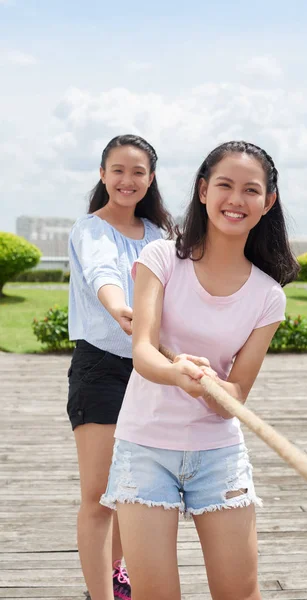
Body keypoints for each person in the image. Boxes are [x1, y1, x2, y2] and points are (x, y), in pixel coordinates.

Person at [101, 140, 299, 599]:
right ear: (203, 190)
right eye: (225, 185)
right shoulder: (161, 259)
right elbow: (144, 352)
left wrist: (212, 388)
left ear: (268, 202)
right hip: (145, 448)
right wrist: (177, 374)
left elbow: (237, 395)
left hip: (218, 454)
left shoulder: (269, 296)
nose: (236, 200)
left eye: (251, 190)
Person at [67, 134, 173, 600]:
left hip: (150, 371)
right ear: (102, 173)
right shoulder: (90, 229)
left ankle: (116, 574)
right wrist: (119, 309)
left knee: (132, 490)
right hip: (102, 370)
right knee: (99, 495)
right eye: (118, 170)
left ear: (150, 179)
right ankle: (100, 594)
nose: (127, 180)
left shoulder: (160, 236)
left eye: (138, 172)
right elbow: (103, 274)